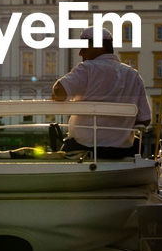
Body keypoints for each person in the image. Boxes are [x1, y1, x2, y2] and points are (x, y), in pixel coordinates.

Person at [51, 28, 151, 158]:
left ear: (100, 46)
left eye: (84, 48)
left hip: (84, 148)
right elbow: (145, 120)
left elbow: (59, 92)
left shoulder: (87, 68)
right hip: (122, 151)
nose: (81, 53)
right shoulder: (133, 75)